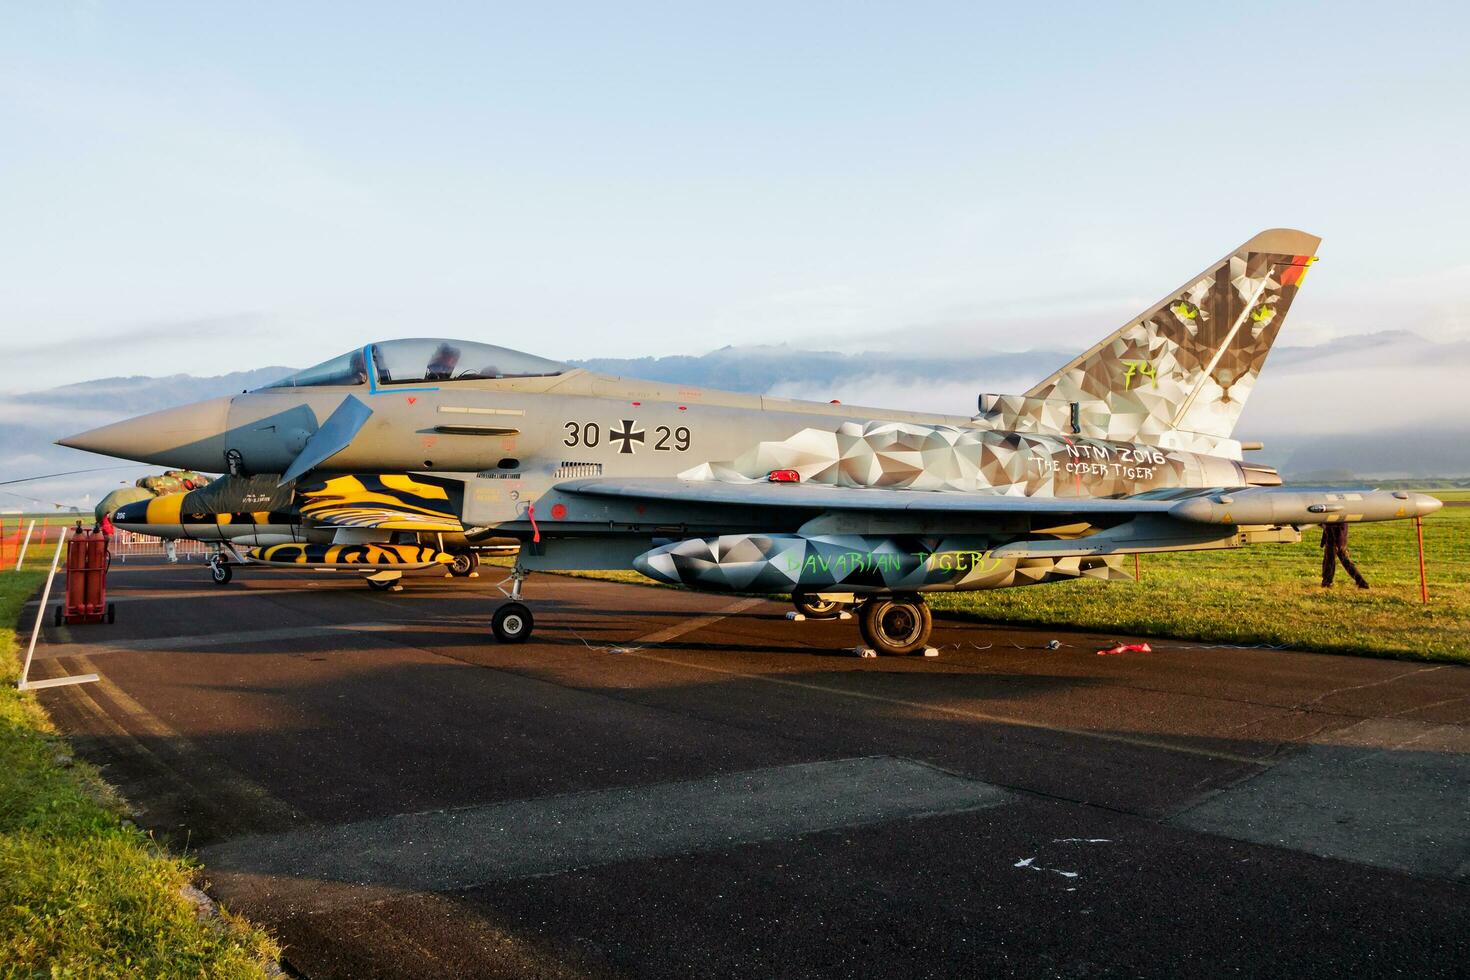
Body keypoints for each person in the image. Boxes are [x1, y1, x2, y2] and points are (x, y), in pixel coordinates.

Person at [1320, 522, 1368, 589]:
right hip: (1335, 542)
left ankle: (1327, 582)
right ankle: (1361, 582)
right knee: (1344, 563)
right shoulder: (1337, 516)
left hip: (1334, 542)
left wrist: (1338, 544)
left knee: (1329, 563)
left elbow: (1339, 529)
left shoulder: (1338, 517)